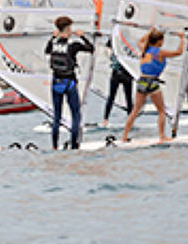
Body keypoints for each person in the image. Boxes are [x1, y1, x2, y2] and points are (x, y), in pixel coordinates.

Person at [42, 14, 96, 150]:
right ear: (67, 28)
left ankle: (54, 146)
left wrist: (54, 37)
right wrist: (82, 36)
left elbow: (47, 51)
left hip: (56, 82)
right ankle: (74, 146)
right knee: (76, 115)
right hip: (70, 83)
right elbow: (91, 48)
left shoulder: (53, 43)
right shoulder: (73, 45)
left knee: (57, 117)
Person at [120, 28, 178, 143]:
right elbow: (179, 52)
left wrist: (149, 33)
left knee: (135, 111)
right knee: (161, 111)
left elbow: (140, 42)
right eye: (162, 40)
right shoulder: (160, 52)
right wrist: (183, 39)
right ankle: (162, 136)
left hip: (141, 81)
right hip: (153, 82)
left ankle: (124, 136)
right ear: (159, 41)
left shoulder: (145, 49)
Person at [101, 40, 134, 123]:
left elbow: (108, 45)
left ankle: (105, 120)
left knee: (113, 97)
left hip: (122, 73)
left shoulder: (117, 40)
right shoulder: (127, 41)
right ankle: (130, 120)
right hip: (124, 74)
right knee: (127, 98)